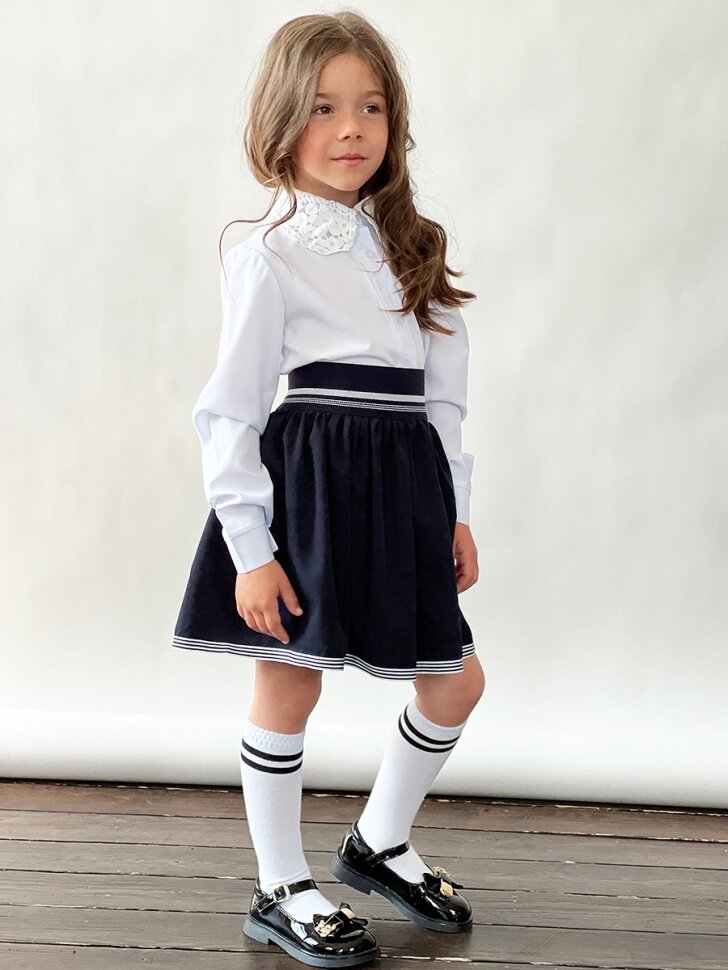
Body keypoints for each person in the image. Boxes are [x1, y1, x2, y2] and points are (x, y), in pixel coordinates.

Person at [172, 10, 486, 967]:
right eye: (322, 108)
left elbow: (444, 404)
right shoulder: (266, 255)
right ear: (281, 121)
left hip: (406, 491)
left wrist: (456, 513)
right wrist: (251, 548)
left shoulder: (414, 244)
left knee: (457, 681)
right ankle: (280, 885)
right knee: (289, 683)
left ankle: (378, 841)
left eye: (371, 107)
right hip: (310, 489)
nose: (351, 128)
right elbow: (230, 412)